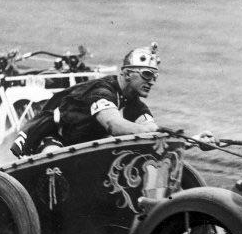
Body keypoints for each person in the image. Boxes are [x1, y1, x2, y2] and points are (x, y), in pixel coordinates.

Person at [10, 43, 161, 157]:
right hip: (51, 135)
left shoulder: (132, 99)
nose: (152, 81)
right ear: (127, 74)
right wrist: (146, 131)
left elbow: (149, 125)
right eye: (147, 74)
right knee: (56, 161)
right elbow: (114, 125)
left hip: (79, 142)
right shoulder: (102, 91)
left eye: (155, 76)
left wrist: (156, 132)